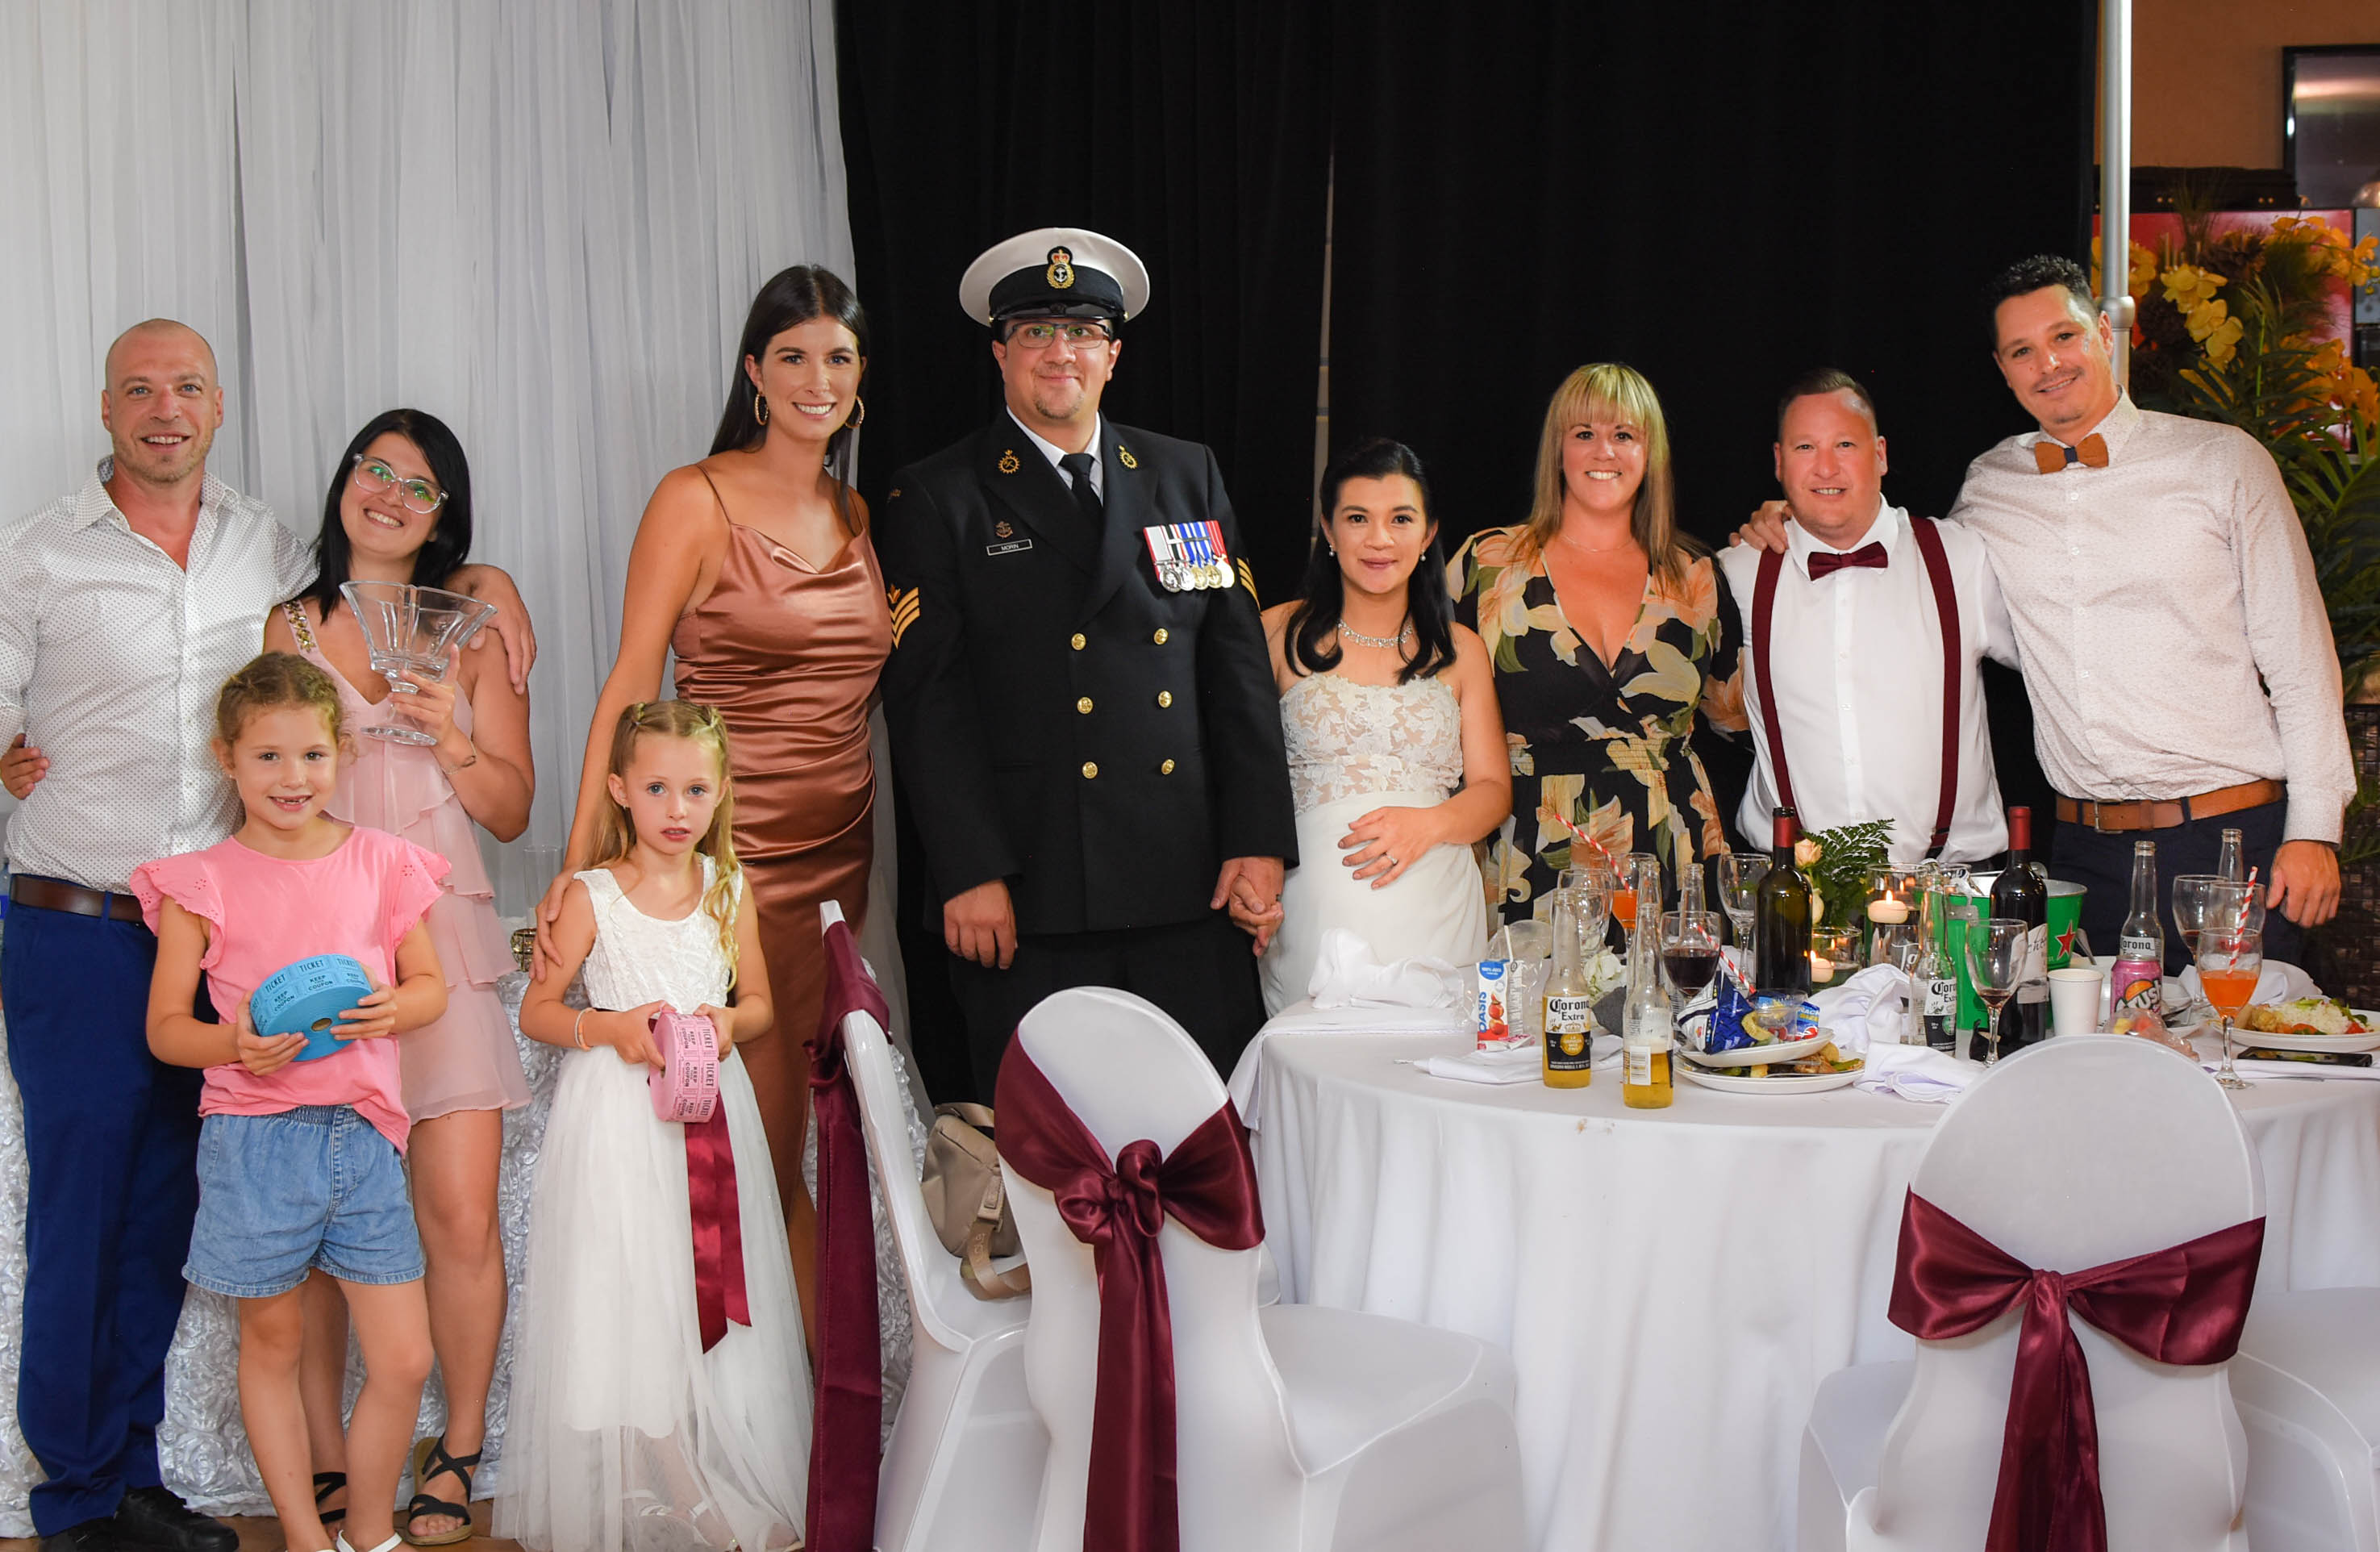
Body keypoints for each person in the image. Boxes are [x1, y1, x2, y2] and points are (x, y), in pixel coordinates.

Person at [0, 320, 527, 1552]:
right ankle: (76, 1498)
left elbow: (400, 578)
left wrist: (490, 583)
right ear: (105, 407)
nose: (164, 409)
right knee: (84, 1212)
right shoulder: (38, 553)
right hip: (86, 921)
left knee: (165, 1215)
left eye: (186, 387)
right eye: (140, 389)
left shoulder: (265, 548)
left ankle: (135, 1481)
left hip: (268, 937)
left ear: (219, 407)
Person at [1735, 257, 2353, 966]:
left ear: (2104, 334)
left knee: (2241, 1029)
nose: (2048, 364)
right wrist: (1794, 519)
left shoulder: (2221, 462)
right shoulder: (1988, 486)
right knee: (2098, 1037)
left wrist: (2314, 829)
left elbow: (2300, 660)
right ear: (2002, 371)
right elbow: (1905, 576)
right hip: (2085, 851)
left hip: (2229, 834)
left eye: (2063, 336)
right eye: (2022, 351)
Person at [533, 265, 884, 1343]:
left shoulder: (856, 510)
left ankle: (810, 1400)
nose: (817, 379)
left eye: (838, 357)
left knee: (802, 1140)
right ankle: (741, 1399)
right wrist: (580, 869)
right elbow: (629, 686)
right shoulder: (694, 498)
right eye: (793, 357)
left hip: (841, 861)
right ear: (753, 373)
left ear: (860, 377)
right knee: (750, 1149)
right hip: (730, 868)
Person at [877, 227, 1298, 1091]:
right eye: (1035, 332)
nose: (1058, 352)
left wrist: (1257, 839)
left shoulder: (1184, 474)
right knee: (1054, 1145)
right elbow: (930, 704)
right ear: (999, 354)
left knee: (1200, 1134)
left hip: (1187, 883)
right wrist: (968, 869)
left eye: (1080, 333)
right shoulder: (941, 494)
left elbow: (1235, 675)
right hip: (1030, 892)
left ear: (1113, 355)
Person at [260, 410, 533, 1546]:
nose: (388, 494)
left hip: (444, 940)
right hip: (322, 948)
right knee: (324, 1222)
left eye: (417, 485)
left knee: (459, 1212)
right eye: (374, 470)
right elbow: (257, 784)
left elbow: (512, 810)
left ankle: (458, 1449)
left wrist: (451, 740)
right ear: (344, 483)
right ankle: (334, 1462)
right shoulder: (287, 623)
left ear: (442, 517)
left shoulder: (472, 626)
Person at [131, 653, 451, 1552]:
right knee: (271, 1344)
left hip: (366, 1136)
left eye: (311, 754)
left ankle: (370, 1530)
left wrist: (396, 1007)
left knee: (403, 1357)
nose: (292, 776)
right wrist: (234, 1042)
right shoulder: (200, 881)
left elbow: (428, 987)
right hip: (253, 1140)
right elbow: (167, 1030)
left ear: (341, 753)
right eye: (267, 756)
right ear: (226, 759)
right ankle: (309, 1538)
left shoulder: (383, 862)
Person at [501, 700, 807, 1552]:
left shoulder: (728, 888)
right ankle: (681, 1483)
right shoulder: (591, 896)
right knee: (635, 1288)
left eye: (696, 790)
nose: (678, 809)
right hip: (617, 1117)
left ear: (722, 792)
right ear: (619, 790)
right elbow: (536, 1011)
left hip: (710, 1110)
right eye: (658, 789)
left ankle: (713, 1459)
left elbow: (760, 1004)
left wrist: (727, 1020)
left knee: (699, 1280)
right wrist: (610, 1027)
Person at [1448, 362, 1747, 927]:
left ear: (1651, 453)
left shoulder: (1697, 575)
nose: (1603, 451)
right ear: (1557, 450)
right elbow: (1424, 708)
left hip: (1671, 855)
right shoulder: (1486, 565)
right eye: (1584, 433)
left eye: (1624, 435)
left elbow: (1741, 723)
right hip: (1526, 853)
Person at [1715, 369, 2019, 866]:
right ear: (1779, 462)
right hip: (1792, 886)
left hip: (1948, 885)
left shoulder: (1963, 558)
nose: (1826, 468)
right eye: (1805, 448)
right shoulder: (1737, 573)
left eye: (1845, 445)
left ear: (1880, 454)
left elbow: (2057, 665)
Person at [1258, 437, 1507, 1012]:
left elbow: (1494, 789)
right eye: (1357, 518)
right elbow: (1234, 771)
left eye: (1400, 519)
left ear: (1427, 533)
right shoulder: (1273, 631)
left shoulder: (1462, 649)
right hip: (1309, 909)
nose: (1379, 539)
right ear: (1328, 529)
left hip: (1437, 906)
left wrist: (1429, 824)